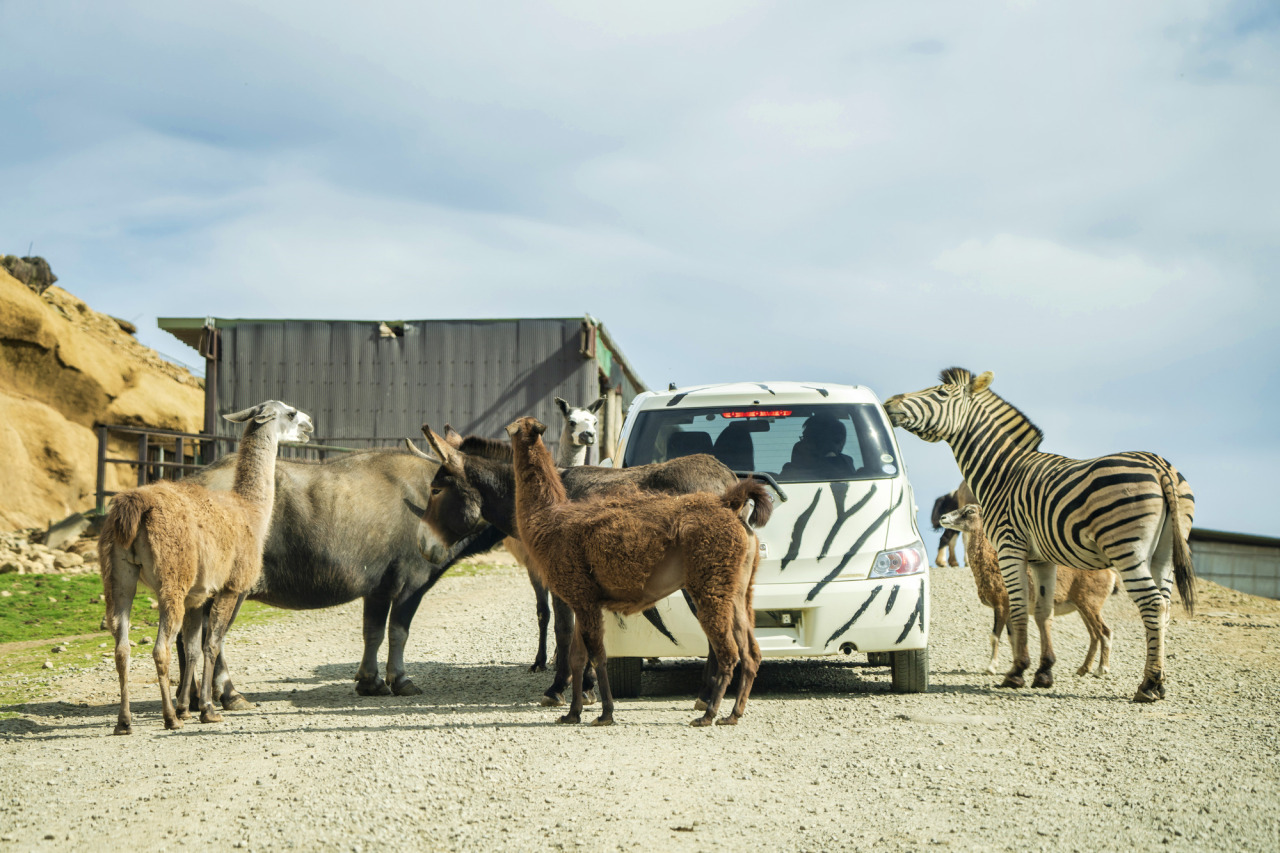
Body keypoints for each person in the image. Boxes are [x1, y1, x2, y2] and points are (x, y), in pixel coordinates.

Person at [779, 413, 857, 480]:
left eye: (806, 438)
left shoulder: (843, 465)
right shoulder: (847, 466)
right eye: (804, 438)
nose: (801, 444)